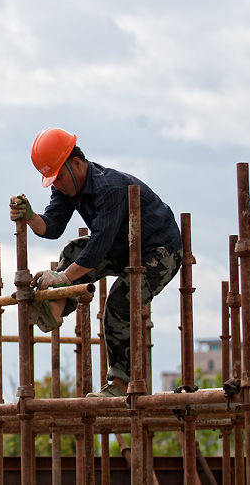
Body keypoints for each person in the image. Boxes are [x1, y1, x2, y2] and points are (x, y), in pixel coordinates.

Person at [9, 128, 183, 397]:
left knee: (119, 302)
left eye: (59, 178)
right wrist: (31, 216)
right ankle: (54, 309)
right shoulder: (67, 187)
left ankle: (122, 384)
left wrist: (63, 277)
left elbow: (98, 247)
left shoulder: (109, 188)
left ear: (76, 163)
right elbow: (53, 226)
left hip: (160, 251)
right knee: (73, 249)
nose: (56, 185)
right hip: (123, 245)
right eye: (51, 181)